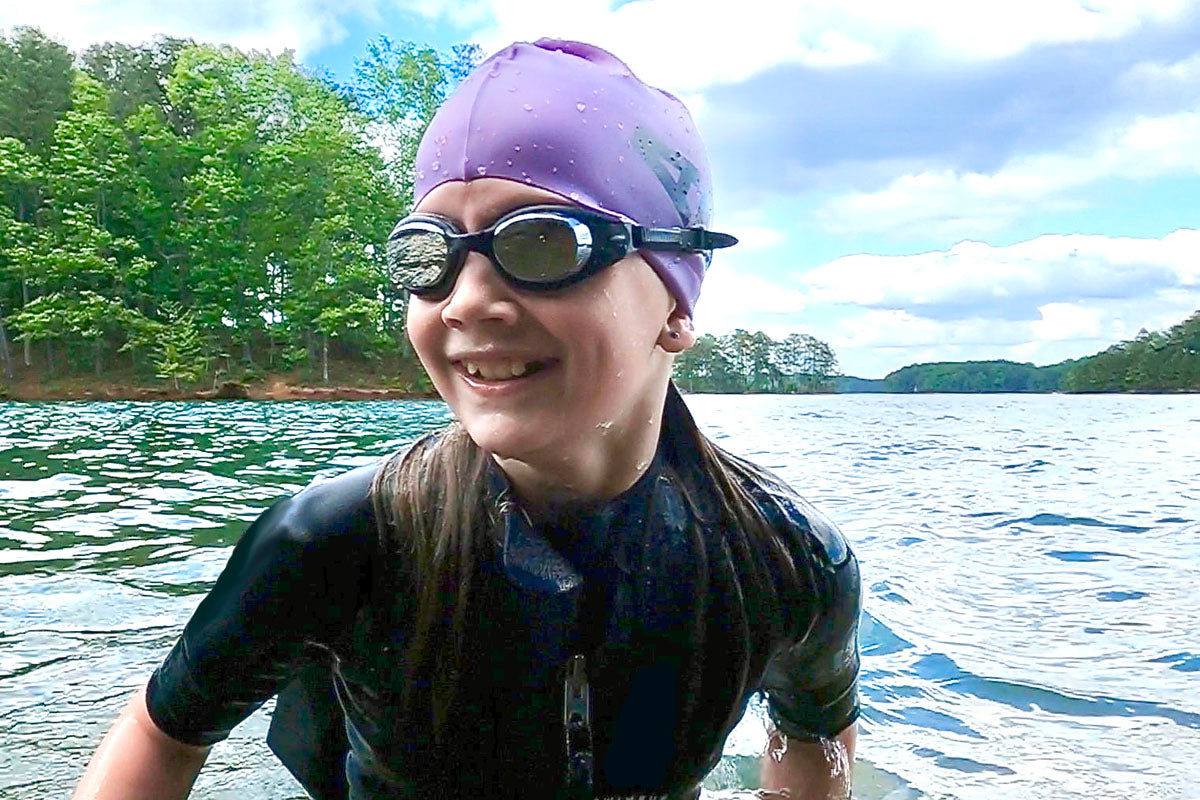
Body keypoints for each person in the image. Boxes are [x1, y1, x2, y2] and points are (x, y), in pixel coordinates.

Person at [71, 39, 861, 800]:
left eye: (545, 242)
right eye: (428, 256)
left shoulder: (787, 560)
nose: (467, 300)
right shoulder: (335, 544)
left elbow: (815, 732)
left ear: (676, 309)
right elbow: (163, 731)